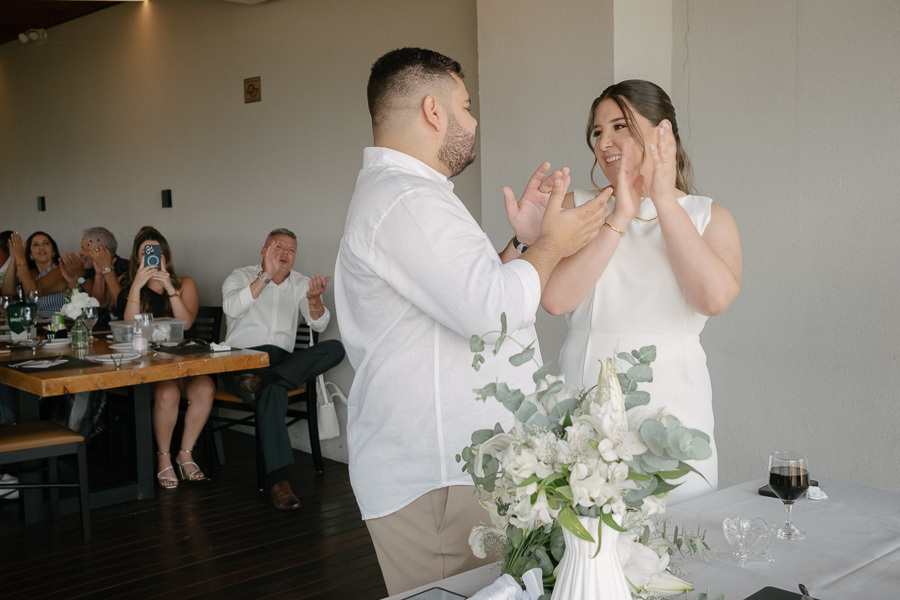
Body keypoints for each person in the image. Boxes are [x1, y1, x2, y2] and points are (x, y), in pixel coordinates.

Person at [334, 47, 609, 595]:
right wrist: (555, 243)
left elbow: (465, 296)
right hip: (439, 476)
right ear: (434, 112)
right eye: (466, 104)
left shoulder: (412, 196)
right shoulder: (407, 199)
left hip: (457, 473)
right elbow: (492, 312)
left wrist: (526, 242)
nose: (474, 118)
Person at [542, 80, 742, 504]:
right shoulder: (577, 209)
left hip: (675, 413)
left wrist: (665, 201)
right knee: (585, 557)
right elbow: (556, 299)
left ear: (662, 133)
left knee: (681, 548)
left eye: (620, 127)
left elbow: (714, 298)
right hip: (586, 412)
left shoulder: (710, 216)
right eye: (598, 131)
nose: (605, 142)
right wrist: (621, 213)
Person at [222, 228, 345, 511]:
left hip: (276, 365)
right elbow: (232, 307)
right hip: (240, 364)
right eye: (278, 247)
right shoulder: (240, 276)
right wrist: (264, 277)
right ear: (263, 252)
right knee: (275, 392)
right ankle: (280, 483)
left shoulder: (302, 283)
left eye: (290, 250)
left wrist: (314, 302)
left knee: (335, 348)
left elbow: (320, 325)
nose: (285, 253)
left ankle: (262, 381)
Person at [116, 227, 213, 489]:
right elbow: (129, 326)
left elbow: (186, 322)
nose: (150, 257)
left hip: (183, 363)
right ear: (137, 259)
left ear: (165, 255)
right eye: (144, 253)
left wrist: (170, 286)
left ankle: (185, 453)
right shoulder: (130, 287)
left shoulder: (185, 283)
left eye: (155, 252)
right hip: (151, 367)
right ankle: (163, 457)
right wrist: (136, 285)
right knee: (167, 393)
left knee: (205, 387)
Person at [59, 227, 129, 327]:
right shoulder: (89, 269)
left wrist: (81, 276)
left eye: (86, 249)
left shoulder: (125, 268)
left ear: (102, 250)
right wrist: (73, 284)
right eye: (81, 248)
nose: (80, 253)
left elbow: (100, 304)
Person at [1, 231, 68, 316]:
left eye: (46, 243)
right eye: (35, 244)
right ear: (30, 255)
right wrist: (14, 257)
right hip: (34, 325)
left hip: (57, 325)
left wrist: (20, 257)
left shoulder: (61, 270)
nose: (41, 247)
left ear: (53, 251)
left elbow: (32, 290)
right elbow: (8, 291)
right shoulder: (31, 274)